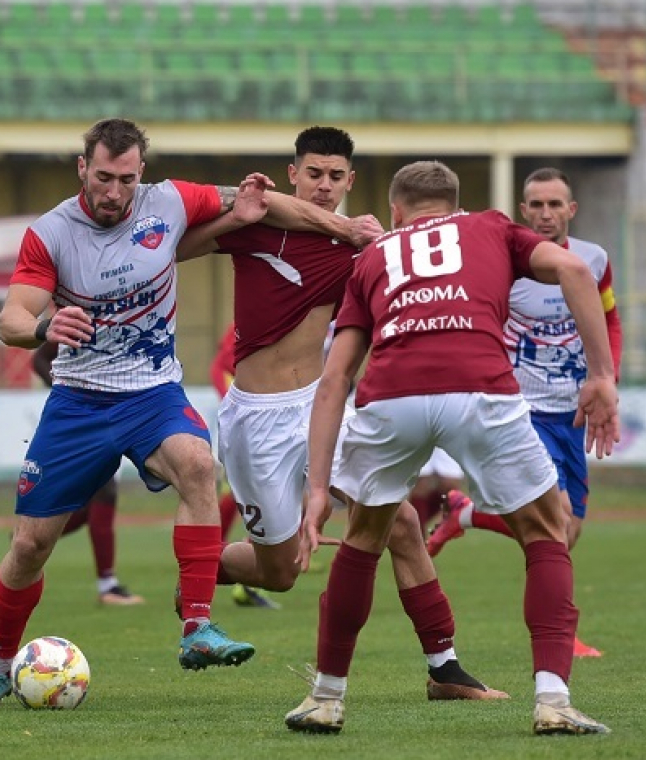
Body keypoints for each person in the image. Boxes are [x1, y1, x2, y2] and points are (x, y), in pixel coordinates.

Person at [0, 117, 335, 708]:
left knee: (196, 463)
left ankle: (197, 628)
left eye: (125, 179)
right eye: (102, 177)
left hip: (152, 392)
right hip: (78, 401)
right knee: (30, 546)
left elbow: (260, 203)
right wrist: (42, 325)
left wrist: (347, 229)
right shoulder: (51, 233)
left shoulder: (172, 202)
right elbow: (10, 319)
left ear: (142, 175)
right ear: (82, 168)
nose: (113, 192)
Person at [288, 160, 619, 736]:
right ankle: (553, 702)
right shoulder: (491, 228)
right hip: (480, 388)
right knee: (548, 530)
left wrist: (319, 489)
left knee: (363, 542)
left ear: (396, 211)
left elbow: (335, 378)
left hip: (392, 395)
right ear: (455, 204)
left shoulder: (373, 256)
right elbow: (573, 269)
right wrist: (601, 377)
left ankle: (325, 698)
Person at [178, 127, 506, 702]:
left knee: (399, 521)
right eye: (314, 174)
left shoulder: (366, 250)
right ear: (293, 174)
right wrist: (330, 224)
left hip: (324, 407)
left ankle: (444, 668)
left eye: (335, 177)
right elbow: (183, 242)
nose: (324, 186)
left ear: (350, 182)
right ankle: (201, 577)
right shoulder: (260, 221)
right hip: (258, 419)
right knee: (281, 572)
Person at [427, 168, 623, 659]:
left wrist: (607, 379)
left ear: (570, 211)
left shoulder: (593, 260)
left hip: (573, 413)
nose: (545, 213)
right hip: (522, 410)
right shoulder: (506, 266)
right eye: (535, 204)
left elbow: (610, 318)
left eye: (555, 204)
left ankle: (465, 515)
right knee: (554, 521)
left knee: (569, 530)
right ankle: (563, 637)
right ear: (523, 209)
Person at [30, 339, 144, 606]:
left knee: (91, 504)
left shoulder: (125, 318)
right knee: (105, 490)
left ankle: (32, 537)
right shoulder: (77, 318)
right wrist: (66, 389)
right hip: (81, 414)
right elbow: (38, 359)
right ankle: (108, 586)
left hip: (116, 412)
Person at [208, 321, 280, 609]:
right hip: (250, 406)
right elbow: (224, 363)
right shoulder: (260, 309)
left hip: (271, 405)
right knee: (254, 489)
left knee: (265, 490)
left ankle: (215, 556)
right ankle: (212, 555)